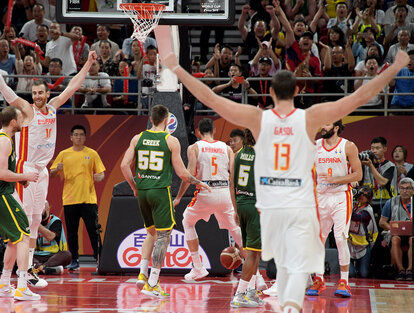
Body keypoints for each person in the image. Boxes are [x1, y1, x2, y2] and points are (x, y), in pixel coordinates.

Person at [156, 22, 409, 313]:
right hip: (298, 202)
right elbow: (360, 97)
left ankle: (269, 294)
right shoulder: (312, 117)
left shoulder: (259, 119)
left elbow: (210, 97)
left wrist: (176, 67)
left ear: (272, 93)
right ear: (297, 90)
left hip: (269, 202)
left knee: (269, 255)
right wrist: (395, 67)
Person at [0, 45, 97, 286]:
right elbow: (4, 89)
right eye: (34, 93)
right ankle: (20, 276)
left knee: (36, 221)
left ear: (47, 94)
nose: (36, 96)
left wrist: (88, 64)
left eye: (40, 93)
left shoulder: (54, 107)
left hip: (42, 171)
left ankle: (29, 270)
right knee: (24, 225)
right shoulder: (26, 110)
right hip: (26, 170)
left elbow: (73, 86)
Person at [120, 105, 210, 298]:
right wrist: (199, 182)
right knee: (163, 236)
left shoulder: (137, 138)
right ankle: (153, 283)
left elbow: (124, 165)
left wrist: (135, 187)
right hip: (160, 192)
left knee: (151, 233)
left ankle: (143, 273)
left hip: (143, 191)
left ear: (151, 119)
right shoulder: (171, 140)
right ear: (168, 120)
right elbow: (182, 173)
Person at [172, 118, 243, 281]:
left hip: (205, 191)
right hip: (225, 192)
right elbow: (234, 175)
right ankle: (256, 277)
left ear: (198, 132)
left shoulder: (195, 147)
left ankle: (198, 267)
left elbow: (188, 175)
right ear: (214, 130)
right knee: (236, 231)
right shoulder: (227, 148)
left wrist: (178, 198)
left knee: (187, 222)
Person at [0, 106, 40, 301]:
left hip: (0, 193)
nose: (23, 121)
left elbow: (4, 172)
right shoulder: (4, 141)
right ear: (13, 122)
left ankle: (4, 284)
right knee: (24, 235)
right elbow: (1, 174)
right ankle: (22, 286)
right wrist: (26, 176)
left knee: (14, 241)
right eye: (20, 118)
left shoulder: (2, 138)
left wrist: (19, 179)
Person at [307, 120, 362, 298]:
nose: (323, 127)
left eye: (327, 124)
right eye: (321, 123)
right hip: (320, 197)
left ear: (336, 127)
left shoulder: (348, 146)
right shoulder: (314, 146)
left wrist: (335, 180)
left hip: (340, 197)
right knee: (318, 240)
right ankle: (319, 279)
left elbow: (358, 175)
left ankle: (344, 282)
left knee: (340, 238)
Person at [50, 125, 106, 270]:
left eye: (81, 135)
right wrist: (57, 169)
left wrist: (98, 177)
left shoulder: (92, 153)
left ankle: (100, 258)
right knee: (72, 233)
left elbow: (101, 173)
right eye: (75, 135)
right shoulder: (64, 154)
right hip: (70, 200)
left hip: (89, 199)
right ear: (71, 137)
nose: (78, 137)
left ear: (85, 137)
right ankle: (74, 260)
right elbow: (52, 173)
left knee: (93, 231)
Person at [230, 129, 266, 308]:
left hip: (242, 204)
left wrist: (235, 208)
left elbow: (232, 183)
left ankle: (251, 291)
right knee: (252, 253)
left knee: (254, 250)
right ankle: (239, 294)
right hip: (255, 206)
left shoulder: (238, 155)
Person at [379, 177, 414, 281]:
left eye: (408, 188)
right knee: (395, 238)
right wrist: (394, 229)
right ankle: (400, 270)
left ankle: (410, 270)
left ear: (413, 190)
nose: (404, 191)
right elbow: (382, 222)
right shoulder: (391, 202)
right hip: (395, 233)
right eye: (402, 188)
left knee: (412, 239)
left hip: (412, 234)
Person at [33, 201, 72, 275]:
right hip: (37, 255)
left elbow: (50, 236)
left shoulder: (55, 221)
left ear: (48, 209)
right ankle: (44, 269)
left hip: (53, 256)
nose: (38, 211)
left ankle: (38, 268)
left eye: (41, 208)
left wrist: (36, 224)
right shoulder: (31, 221)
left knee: (67, 255)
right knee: (19, 254)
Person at [348, 186, 378, 278]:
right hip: (349, 244)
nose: (361, 197)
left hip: (363, 245)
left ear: (369, 198)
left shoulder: (368, 210)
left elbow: (357, 217)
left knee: (363, 274)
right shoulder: (353, 206)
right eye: (360, 194)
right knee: (350, 274)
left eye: (364, 195)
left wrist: (347, 204)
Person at [361, 136, 398, 209]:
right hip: (368, 202)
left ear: (385, 149)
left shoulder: (390, 166)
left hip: (386, 203)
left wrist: (370, 165)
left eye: (378, 148)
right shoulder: (365, 165)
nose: (374, 151)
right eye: (372, 148)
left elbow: (382, 182)